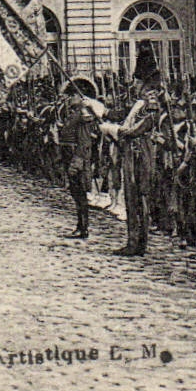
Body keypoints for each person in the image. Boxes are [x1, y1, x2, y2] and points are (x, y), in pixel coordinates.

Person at [100, 64, 163, 256]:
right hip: (131, 156)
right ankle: (133, 241)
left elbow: (137, 130)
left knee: (140, 199)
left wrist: (113, 130)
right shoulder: (138, 104)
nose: (134, 85)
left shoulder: (150, 105)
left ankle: (139, 242)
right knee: (131, 198)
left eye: (137, 82)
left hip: (141, 158)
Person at [59, 77, 102, 239]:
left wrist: (77, 161)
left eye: (73, 96)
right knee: (75, 192)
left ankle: (83, 227)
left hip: (76, 157)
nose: (70, 98)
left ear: (81, 97)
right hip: (68, 155)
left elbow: (84, 141)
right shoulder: (74, 114)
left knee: (80, 193)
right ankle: (80, 225)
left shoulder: (83, 115)